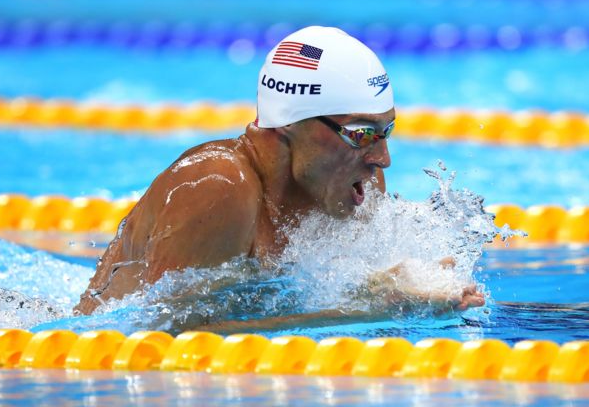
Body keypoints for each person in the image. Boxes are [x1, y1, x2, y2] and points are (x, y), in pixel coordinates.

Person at [75, 26, 484, 318]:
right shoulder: (218, 188)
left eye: (386, 131)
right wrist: (368, 307)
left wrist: (414, 282)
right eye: (362, 134)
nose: (382, 158)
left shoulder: (355, 184)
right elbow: (167, 334)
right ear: (290, 124)